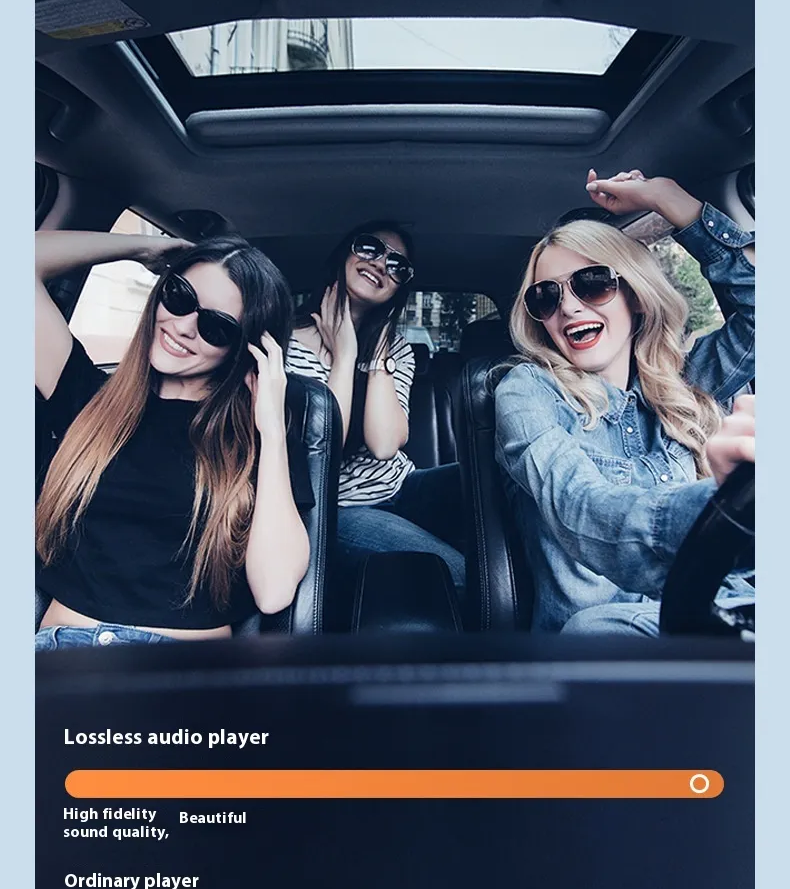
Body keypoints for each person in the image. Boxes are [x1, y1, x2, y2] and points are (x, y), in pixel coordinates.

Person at [495, 170, 755, 635]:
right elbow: (579, 505)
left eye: (592, 283)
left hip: (728, 606)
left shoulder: (686, 379)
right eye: (547, 296)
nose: (569, 307)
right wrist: (722, 512)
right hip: (613, 638)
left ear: (635, 295)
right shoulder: (527, 390)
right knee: (593, 629)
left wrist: (673, 202)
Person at [35, 230, 314, 648]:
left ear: (246, 349)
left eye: (216, 327)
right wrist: (141, 247)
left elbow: (274, 592)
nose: (182, 327)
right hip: (60, 652)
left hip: (175, 664)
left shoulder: (254, 439)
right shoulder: (87, 397)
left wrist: (272, 430)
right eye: (180, 297)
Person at [286, 222, 465, 591]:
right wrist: (345, 356)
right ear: (343, 253)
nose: (382, 264)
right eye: (370, 247)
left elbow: (385, 445)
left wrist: (378, 349)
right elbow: (323, 452)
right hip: (340, 507)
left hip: (403, 485)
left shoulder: (395, 348)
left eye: (398, 266)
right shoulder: (284, 345)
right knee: (458, 575)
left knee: (503, 479)